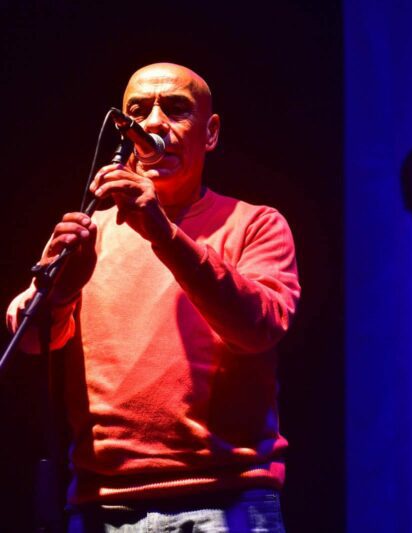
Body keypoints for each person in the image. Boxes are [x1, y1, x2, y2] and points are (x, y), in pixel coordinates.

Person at [6, 63, 300, 532]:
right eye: (138, 112)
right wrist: (60, 292)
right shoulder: (91, 230)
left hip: (227, 497)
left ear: (210, 133)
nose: (153, 124)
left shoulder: (256, 224)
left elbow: (259, 327)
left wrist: (163, 233)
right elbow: (28, 336)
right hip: (104, 505)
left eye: (176, 109)